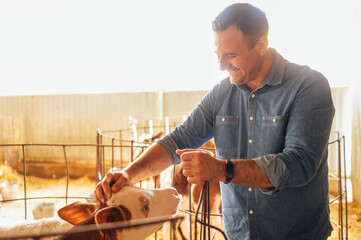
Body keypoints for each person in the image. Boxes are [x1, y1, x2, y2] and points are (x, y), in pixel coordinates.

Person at [94, 3, 335, 240]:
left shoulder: (308, 87)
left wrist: (221, 169)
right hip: (238, 234)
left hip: (295, 234)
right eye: (218, 54)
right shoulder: (222, 94)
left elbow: (299, 164)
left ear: (261, 45)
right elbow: (179, 139)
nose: (221, 65)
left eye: (231, 55)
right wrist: (128, 174)